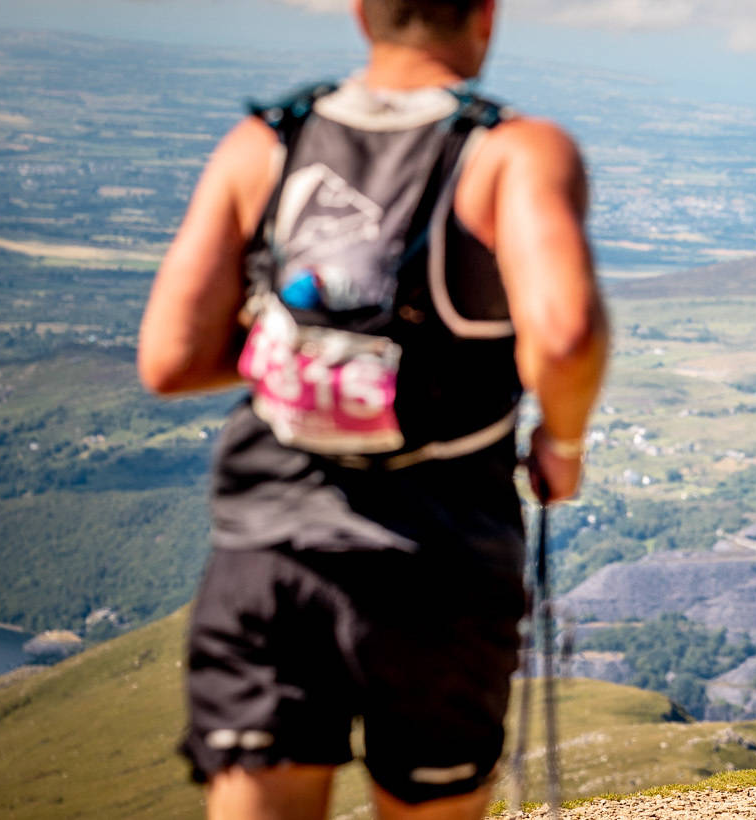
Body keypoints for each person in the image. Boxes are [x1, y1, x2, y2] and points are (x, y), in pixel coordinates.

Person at [137, 0, 608, 816]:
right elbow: (564, 337)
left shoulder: (268, 141)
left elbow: (170, 359)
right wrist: (560, 443)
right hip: (440, 554)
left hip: (272, 544)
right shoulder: (512, 153)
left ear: (361, 13)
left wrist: (314, 359)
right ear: (486, 17)